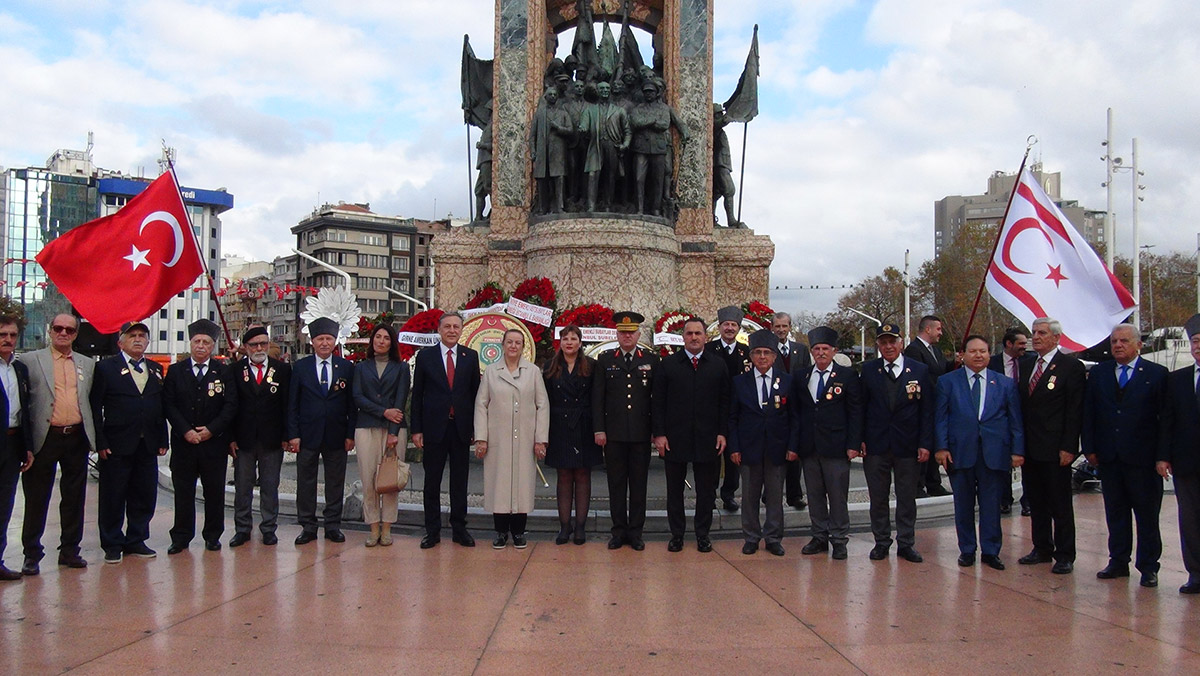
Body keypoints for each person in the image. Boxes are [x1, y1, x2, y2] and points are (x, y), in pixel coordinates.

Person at [1082, 324, 1166, 588]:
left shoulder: (1157, 374)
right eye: (1114, 341)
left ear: (1139, 345)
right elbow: (1090, 413)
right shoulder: (1100, 373)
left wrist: (1162, 456)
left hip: (1143, 458)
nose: (1118, 345)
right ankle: (1118, 561)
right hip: (1110, 456)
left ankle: (1148, 567)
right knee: (1115, 512)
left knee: (1147, 516)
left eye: (1124, 341)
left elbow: (1165, 420)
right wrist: (1090, 447)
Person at [935, 335, 1024, 570]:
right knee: (963, 505)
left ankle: (991, 551)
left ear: (989, 354)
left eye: (983, 351)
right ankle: (967, 549)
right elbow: (941, 418)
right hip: (960, 452)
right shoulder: (947, 382)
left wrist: (1017, 451)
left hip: (994, 454)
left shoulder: (1004, 384)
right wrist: (942, 447)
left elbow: (1015, 421)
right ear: (962, 354)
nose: (978, 355)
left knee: (992, 505)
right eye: (973, 351)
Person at [20, 314, 95, 573]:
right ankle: (32, 553)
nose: (64, 333)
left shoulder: (87, 363)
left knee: (74, 497)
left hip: (75, 437)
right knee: (37, 497)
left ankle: (70, 550)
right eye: (58, 328)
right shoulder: (30, 361)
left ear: (76, 334)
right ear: (50, 330)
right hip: (45, 437)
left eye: (70, 330)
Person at [91, 322, 167, 564]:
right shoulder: (105, 368)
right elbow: (95, 407)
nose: (137, 339)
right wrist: (100, 441)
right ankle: (112, 542)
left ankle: (136, 539)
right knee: (113, 495)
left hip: (147, 444)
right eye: (132, 335)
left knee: (144, 494)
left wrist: (162, 438)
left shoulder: (155, 369)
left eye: (142, 336)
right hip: (116, 444)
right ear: (120, 342)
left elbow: (159, 407)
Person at [652, 317, 729, 553]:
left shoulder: (718, 365)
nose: (694, 337)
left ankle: (702, 534)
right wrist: (659, 435)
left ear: (706, 337)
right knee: (674, 490)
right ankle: (677, 534)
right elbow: (658, 402)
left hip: (708, 438)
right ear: (682, 337)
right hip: (675, 438)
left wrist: (723, 433)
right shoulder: (668, 365)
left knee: (706, 490)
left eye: (698, 333)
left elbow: (725, 402)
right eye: (689, 333)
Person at [1016, 317, 1086, 575]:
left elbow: (1074, 410)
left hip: (1057, 449)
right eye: (1034, 332)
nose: (1036, 337)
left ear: (1056, 338)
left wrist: (1069, 446)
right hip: (1031, 448)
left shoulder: (1070, 366)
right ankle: (1041, 547)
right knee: (1036, 501)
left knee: (1060, 503)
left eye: (1042, 333)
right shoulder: (1026, 365)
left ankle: (1065, 553)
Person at [859, 323, 934, 563]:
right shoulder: (869, 370)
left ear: (901, 342)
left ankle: (906, 543)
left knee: (906, 497)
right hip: (876, 445)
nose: (888, 346)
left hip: (908, 446)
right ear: (878, 345)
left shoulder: (919, 370)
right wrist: (859, 439)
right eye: (883, 342)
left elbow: (927, 411)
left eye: (893, 341)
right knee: (878, 497)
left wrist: (925, 443)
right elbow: (861, 409)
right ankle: (881, 542)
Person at [163, 319, 238, 554]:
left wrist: (211, 430)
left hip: (213, 444)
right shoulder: (176, 371)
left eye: (206, 342)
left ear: (213, 346)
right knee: (183, 492)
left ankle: (213, 535)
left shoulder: (223, 372)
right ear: (191, 343)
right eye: (197, 342)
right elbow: (169, 405)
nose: (201, 346)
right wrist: (186, 430)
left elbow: (230, 405)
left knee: (214, 491)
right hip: (184, 443)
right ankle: (181, 536)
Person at [790, 326, 862, 561]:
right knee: (814, 494)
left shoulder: (847, 376)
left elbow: (855, 412)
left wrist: (853, 443)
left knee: (837, 495)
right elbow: (798, 413)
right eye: (817, 349)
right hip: (810, 447)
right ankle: (819, 536)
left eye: (825, 349)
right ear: (812, 352)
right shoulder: (801, 376)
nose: (821, 353)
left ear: (834, 351)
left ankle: (839, 539)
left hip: (836, 447)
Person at [412, 311, 481, 549]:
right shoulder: (425, 357)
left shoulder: (470, 356)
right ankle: (432, 531)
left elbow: (475, 395)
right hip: (433, 428)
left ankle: (459, 528)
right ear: (439, 330)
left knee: (459, 482)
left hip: (460, 428)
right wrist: (416, 429)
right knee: (432, 481)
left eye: (456, 327)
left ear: (462, 330)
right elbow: (417, 395)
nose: (452, 330)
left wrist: (475, 428)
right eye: (447, 326)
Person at [474, 329, 549, 549]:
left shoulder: (533, 372)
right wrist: (481, 437)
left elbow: (542, 405)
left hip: (525, 436)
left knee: (522, 483)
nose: (513, 346)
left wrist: (540, 439)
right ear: (502, 345)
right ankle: (500, 532)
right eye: (509, 342)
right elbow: (481, 405)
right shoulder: (491, 371)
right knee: (500, 483)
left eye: (517, 342)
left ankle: (518, 531)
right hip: (498, 437)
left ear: (523, 346)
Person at [287, 317, 356, 546]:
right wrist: (293, 434)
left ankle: (333, 525)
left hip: (336, 434)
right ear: (312, 341)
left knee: (335, 481)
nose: (324, 343)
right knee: (306, 481)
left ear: (335, 341)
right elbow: (292, 404)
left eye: (328, 339)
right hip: (307, 434)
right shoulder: (301, 367)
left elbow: (351, 405)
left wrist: (350, 434)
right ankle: (307, 525)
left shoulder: (346, 367)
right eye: (320, 339)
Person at [592, 310, 657, 551]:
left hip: (640, 434)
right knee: (616, 485)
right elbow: (598, 399)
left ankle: (636, 532)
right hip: (614, 434)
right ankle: (618, 531)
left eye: (631, 333)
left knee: (639, 485)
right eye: (622, 332)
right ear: (616, 334)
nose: (627, 336)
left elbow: (655, 399)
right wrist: (599, 429)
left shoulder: (650, 359)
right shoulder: (606, 360)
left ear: (639, 334)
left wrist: (656, 430)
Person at [728, 329, 794, 556]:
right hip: (749, 448)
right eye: (757, 353)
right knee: (749, 496)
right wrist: (734, 447)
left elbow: (794, 417)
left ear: (775, 356)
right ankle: (751, 537)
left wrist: (792, 446)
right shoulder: (739, 382)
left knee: (775, 497)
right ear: (751, 356)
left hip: (777, 449)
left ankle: (774, 538)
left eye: (767, 352)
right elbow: (732, 418)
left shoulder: (787, 381)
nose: (762, 357)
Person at [228, 326, 292, 547]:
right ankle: (242, 529)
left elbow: (287, 407)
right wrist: (230, 438)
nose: (259, 348)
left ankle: (268, 528)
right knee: (243, 487)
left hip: (272, 439)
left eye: (263, 343)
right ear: (246, 348)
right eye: (254, 344)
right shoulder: (235, 371)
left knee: (269, 485)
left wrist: (287, 435)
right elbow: (230, 407)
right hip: (243, 440)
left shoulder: (282, 370)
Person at [543, 325, 602, 545]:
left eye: (573, 338)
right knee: (564, 475)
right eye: (565, 338)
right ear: (560, 342)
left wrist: (599, 428)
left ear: (580, 342)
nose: (569, 342)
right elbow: (544, 400)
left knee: (583, 474)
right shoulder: (550, 366)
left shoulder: (592, 366)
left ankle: (580, 527)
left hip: (584, 425)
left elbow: (597, 400)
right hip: (559, 425)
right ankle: (564, 526)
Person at [352, 324, 410, 547]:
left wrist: (393, 433)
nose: (382, 341)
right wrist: (382, 411)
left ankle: (387, 528)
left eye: (386, 338)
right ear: (372, 340)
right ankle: (373, 527)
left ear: (392, 342)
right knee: (368, 480)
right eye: (378, 337)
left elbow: (401, 399)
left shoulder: (401, 368)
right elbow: (357, 397)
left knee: (390, 480)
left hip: (394, 430)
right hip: (366, 427)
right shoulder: (360, 368)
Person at [1158, 314, 1200, 594]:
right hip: (1188, 463)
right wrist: (1163, 456)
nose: (1199, 347)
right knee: (1191, 520)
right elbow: (1168, 421)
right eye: (1195, 342)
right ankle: (1196, 573)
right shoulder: (1178, 379)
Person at [903, 314, 953, 497]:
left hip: (936, 405)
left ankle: (934, 483)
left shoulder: (936, 351)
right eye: (938, 329)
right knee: (922, 446)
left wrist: (955, 363)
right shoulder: (914, 350)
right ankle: (918, 484)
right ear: (928, 329)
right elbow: (921, 378)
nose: (941, 333)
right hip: (922, 405)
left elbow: (941, 371)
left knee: (933, 444)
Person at [707, 305, 751, 513]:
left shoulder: (747, 353)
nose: (730, 328)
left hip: (738, 412)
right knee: (712, 455)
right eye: (726, 324)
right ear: (720, 327)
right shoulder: (709, 350)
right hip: (713, 410)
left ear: (739, 328)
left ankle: (729, 494)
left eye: (734, 325)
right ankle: (709, 493)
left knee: (734, 456)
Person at [0, 315, 33, 580]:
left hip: (12, 445)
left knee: (4, 504)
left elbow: (26, 412)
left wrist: (27, 448)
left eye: (12, 335)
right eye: (2, 334)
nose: (8, 340)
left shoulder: (19, 369)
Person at [989, 328, 1034, 514]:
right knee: (1002, 461)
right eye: (1021, 343)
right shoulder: (992, 363)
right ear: (1009, 344)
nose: (1025, 347)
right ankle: (1004, 499)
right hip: (1000, 419)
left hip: (1026, 418)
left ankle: (1028, 501)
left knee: (1026, 461)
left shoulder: (1030, 362)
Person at [629, 79, 689, 216]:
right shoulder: (638, 108)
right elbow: (635, 122)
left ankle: (656, 208)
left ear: (657, 93)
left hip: (658, 148)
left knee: (658, 180)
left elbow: (665, 123)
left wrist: (685, 132)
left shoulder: (665, 108)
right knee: (639, 178)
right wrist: (652, 122)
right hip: (641, 148)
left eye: (651, 92)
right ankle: (639, 209)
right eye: (646, 92)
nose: (648, 94)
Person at [772, 311, 811, 509]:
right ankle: (770, 494)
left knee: (795, 454)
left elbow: (806, 376)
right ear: (772, 328)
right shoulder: (768, 349)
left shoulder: (801, 350)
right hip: (775, 408)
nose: (781, 330)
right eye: (777, 326)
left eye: (784, 326)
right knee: (774, 455)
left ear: (790, 327)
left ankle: (794, 495)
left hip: (797, 407)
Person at [530, 87, 574, 214]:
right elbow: (533, 135)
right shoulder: (539, 114)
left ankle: (560, 207)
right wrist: (533, 151)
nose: (553, 96)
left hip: (558, 152)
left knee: (559, 179)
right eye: (551, 94)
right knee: (542, 181)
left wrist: (558, 128)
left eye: (555, 94)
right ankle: (543, 208)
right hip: (542, 153)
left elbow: (570, 130)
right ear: (546, 97)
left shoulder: (563, 114)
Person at [712, 103, 744, 228]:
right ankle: (731, 220)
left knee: (716, 193)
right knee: (729, 190)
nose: (721, 116)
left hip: (722, 163)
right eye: (718, 114)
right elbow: (723, 121)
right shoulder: (714, 127)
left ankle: (711, 219)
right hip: (719, 164)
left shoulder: (719, 130)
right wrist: (733, 111)